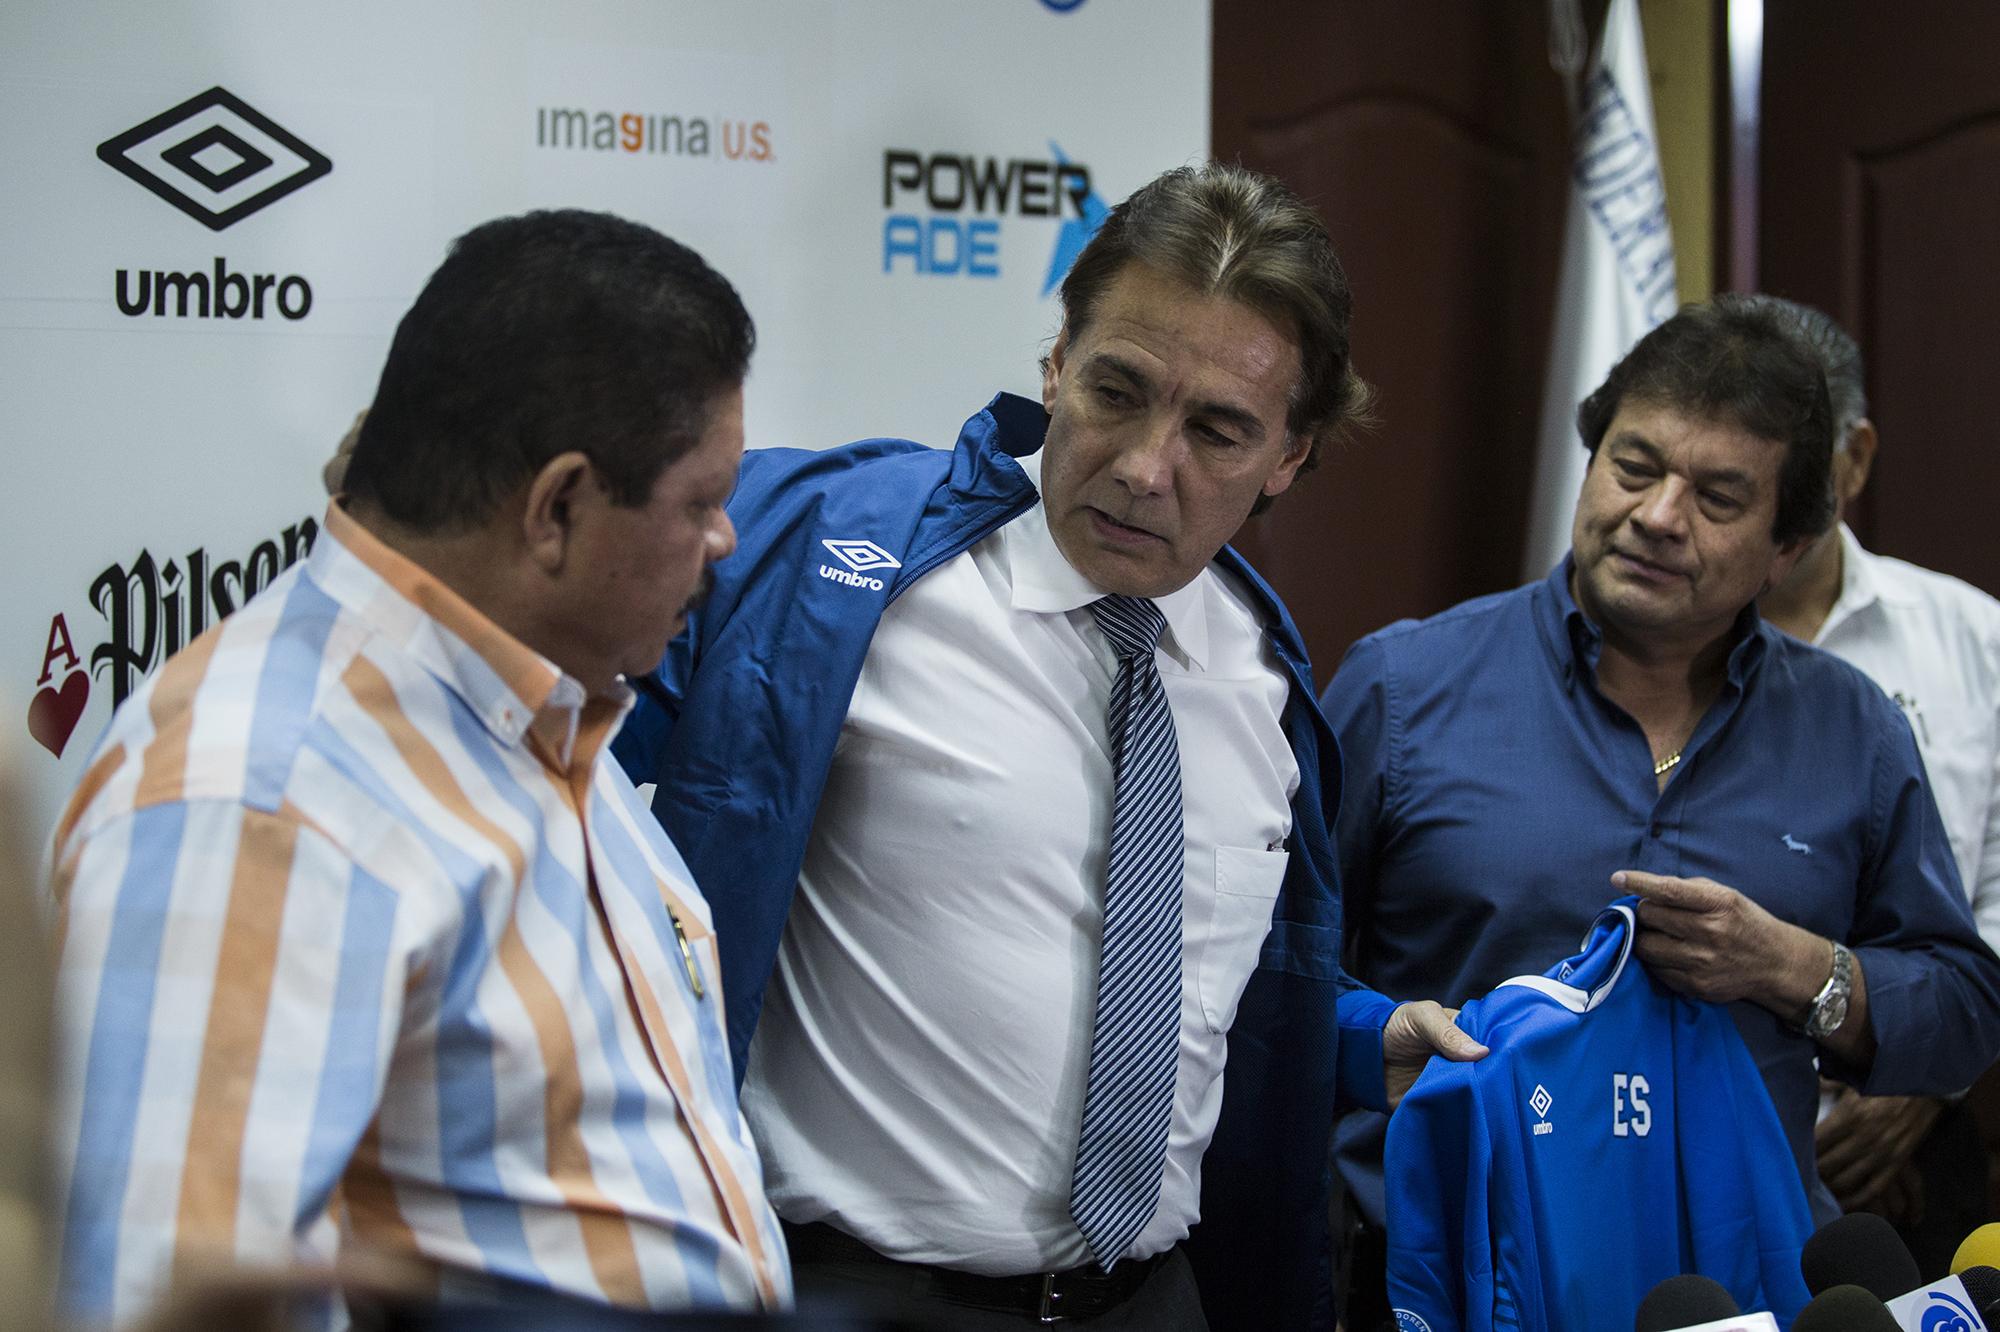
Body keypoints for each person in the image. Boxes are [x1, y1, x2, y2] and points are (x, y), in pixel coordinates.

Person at [613, 162, 1482, 1331]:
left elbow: (1173, 980)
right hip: (851, 1289)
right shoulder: (832, 564)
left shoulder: (1265, 678)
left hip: (1157, 1299)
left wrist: (1360, 1034)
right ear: (1055, 361)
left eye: (1217, 431)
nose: (1142, 465)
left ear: (1289, 458)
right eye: (1116, 390)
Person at [46, 210, 789, 1328]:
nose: (724, 542)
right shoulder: (263, 799)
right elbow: (159, 1299)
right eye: (700, 502)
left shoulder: (543, 712)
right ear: (558, 510)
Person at [1320, 294, 2000, 1325]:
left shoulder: (1851, 730)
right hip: (1442, 1284)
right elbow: (1264, 980)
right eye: (1632, 467)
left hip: (1742, 1292)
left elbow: (1959, 1013)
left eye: (1717, 497)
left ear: (1787, 545)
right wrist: (1380, 1034)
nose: (1655, 517)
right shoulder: (1403, 688)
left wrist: (1792, 967)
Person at [1757, 298, 2000, 1265]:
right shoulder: (1650, 646)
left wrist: (1917, 1071)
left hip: (1921, 1141)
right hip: (1690, 1129)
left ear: (1851, 459)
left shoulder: (1973, 640)